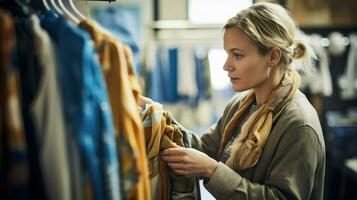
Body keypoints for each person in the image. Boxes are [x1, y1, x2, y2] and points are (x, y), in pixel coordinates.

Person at [140, 2, 325, 199]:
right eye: (228, 54)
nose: (226, 65)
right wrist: (158, 116)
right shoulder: (240, 105)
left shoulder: (299, 124)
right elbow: (204, 149)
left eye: (237, 55)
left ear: (273, 56)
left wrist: (212, 170)